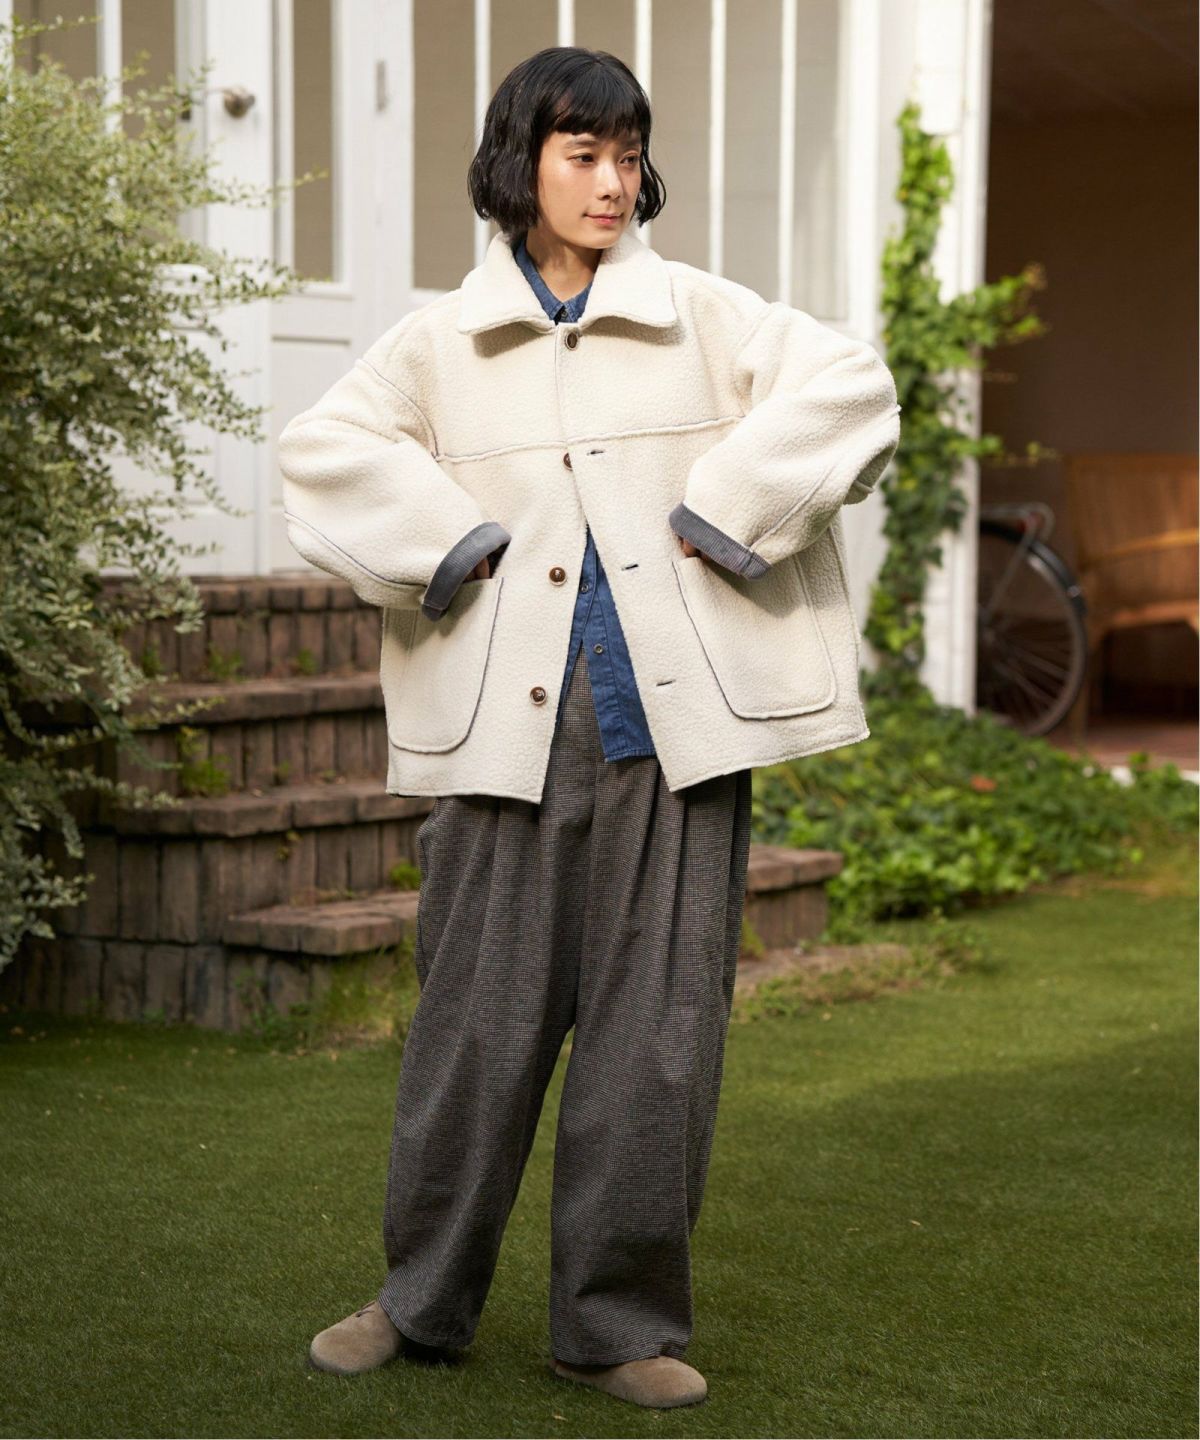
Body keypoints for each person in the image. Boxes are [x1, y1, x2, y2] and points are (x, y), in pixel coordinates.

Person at [281, 45, 900, 1412]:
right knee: (472, 1034)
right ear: (524, 163)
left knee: (658, 1042)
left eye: (629, 154)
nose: (614, 181)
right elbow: (322, 454)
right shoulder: (440, 342)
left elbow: (851, 388)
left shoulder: (702, 316)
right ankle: (418, 1303)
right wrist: (451, 541)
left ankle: (614, 1329)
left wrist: (729, 507)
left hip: (678, 733)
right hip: (506, 736)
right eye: (585, 154)